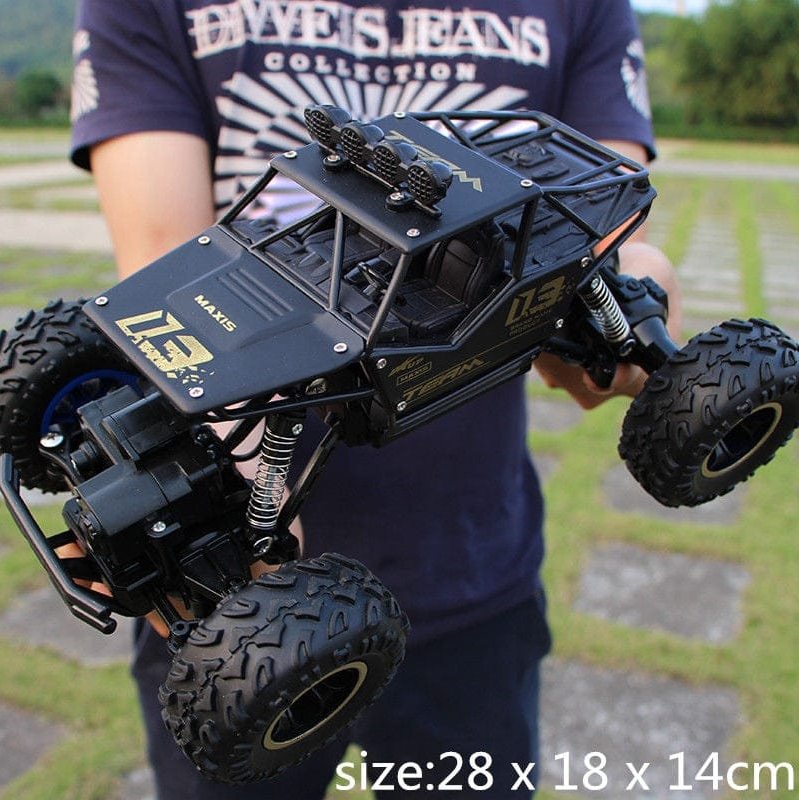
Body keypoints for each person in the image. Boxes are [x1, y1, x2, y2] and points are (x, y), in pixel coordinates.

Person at [70, 2, 681, 797]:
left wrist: (623, 304)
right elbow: (161, 252)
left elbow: (596, 225)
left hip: (470, 581)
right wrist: (201, 489)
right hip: (243, 625)